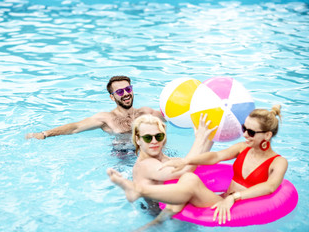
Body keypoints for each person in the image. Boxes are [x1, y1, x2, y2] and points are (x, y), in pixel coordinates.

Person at [107, 105, 287, 227]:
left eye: (251, 132)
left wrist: (234, 197)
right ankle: (154, 212)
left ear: (267, 135)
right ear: (137, 139)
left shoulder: (279, 162)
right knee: (187, 178)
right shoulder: (242, 148)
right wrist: (190, 157)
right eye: (243, 128)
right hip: (213, 200)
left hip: (238, 205)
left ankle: (140, 191)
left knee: (190, 179)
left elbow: (270, 187)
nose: (245, 134)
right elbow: (216, 156)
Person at [108, 113, 215, 227]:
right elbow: (184, 171)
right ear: (138, 140)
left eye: (158, 136)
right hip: (163, 222)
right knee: (191, 180)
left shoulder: (168, 160)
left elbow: (196, 163)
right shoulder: (144, 165)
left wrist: (210, 136)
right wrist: (199, 139)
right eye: (148, 138)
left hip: (177, 215)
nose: (154, 141)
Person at [25, 76, 164, 140]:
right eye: (120, 92)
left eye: (128, 89)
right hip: (123, 158)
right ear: (112, 97)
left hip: (148, 150)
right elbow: (75, 127)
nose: (126, 94)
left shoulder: (147, 112)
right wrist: (45, 134)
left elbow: (172, 117)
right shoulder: (106, 118)